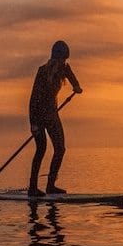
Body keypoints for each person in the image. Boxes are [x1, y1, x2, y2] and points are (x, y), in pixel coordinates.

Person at [28, 40, 83, 196]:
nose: (64, 62)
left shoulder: (63, 69)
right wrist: (34, 124)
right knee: (41, 149)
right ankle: (32, 188)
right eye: (63, 59)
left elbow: (74, 81)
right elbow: (33, 99)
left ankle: (50, 185)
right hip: (38, 117)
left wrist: (77, 87)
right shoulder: (42, 71)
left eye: (65, 60)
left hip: (52, 115)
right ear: (56, 58)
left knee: (60, 149)